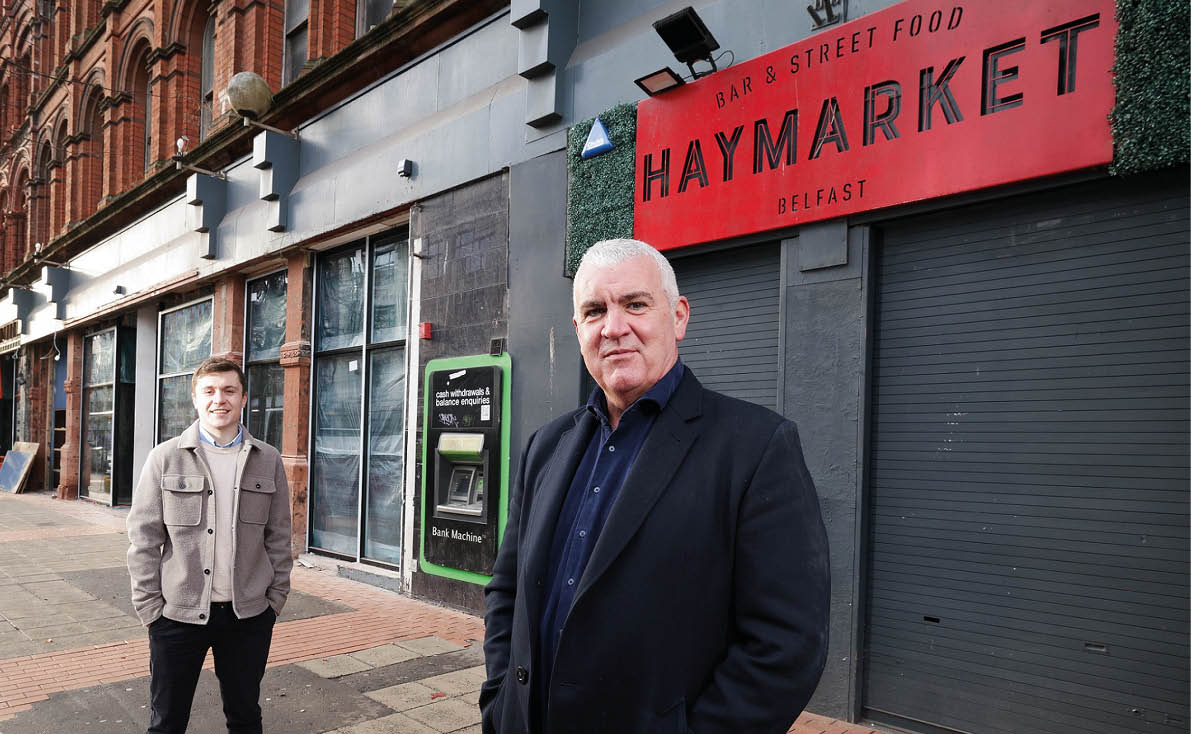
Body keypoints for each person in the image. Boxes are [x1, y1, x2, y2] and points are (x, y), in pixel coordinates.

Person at [480, 238, 830, 734]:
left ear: (679, 316)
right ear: (579, 331)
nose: (615, 328)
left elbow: (787, 644)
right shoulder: (546, 446)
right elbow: (507, 590)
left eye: (636, 305)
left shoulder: (756, 447)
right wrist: (499, 699)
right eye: (596, 311)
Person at [127, 356, 292, 734]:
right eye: (210, 391)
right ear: (196, 399)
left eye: (229, 390)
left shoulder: (267, 460)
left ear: (244, 398)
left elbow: (280, 536)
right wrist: (150, 608)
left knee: (245, 717)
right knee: (166, 720)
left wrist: (275, 598)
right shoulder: (164, 458)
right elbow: (144, 538)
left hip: (248, 616)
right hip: (176, 615)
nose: (220, 399)